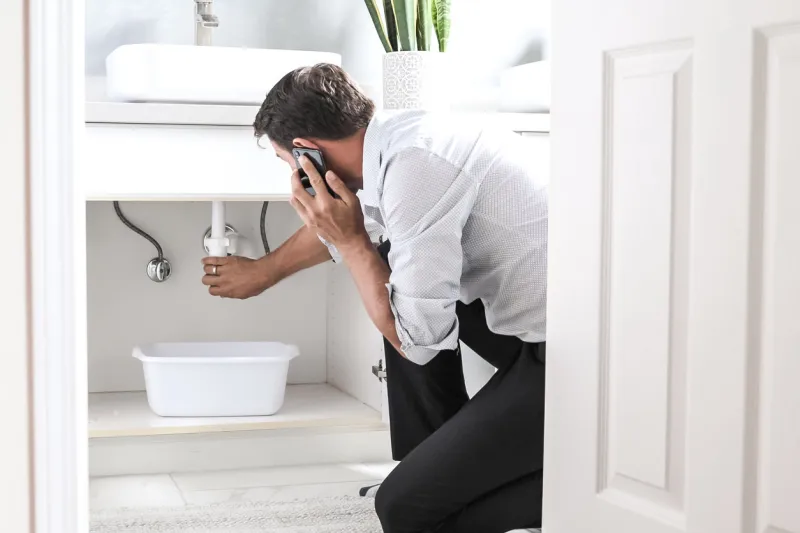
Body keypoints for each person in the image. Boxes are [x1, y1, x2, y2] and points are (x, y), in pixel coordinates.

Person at [201, 63, 548, 533]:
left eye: (287, 162)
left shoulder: (417, 171)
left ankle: (570, 484)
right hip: (550, 326)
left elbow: (419, 343)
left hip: (576, 362)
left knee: (405, 511)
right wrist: (264, 271)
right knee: (395, 265)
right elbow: (371, 221)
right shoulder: (399, 141)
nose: (293, 174)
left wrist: (352, 246)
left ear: (307, 153)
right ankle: (433, 459)